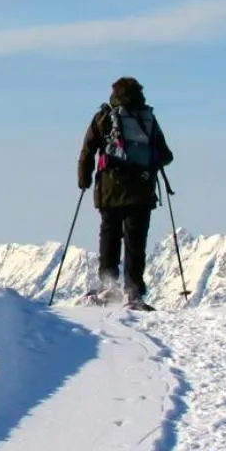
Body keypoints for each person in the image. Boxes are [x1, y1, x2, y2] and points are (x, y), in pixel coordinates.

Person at [77, 77, 174, 310]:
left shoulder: (104, 117)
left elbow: (88, 150)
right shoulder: (147, 118)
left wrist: (84, 179)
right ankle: (133, 291)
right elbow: (166, 155)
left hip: (110, 189)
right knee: (135, 242)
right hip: (142, 190)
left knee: (109, 236)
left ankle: (108, 285)